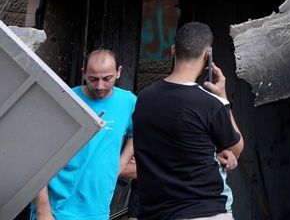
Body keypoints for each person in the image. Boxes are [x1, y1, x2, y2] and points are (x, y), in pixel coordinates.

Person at [130, 21, 244, 220]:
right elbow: (235, 148)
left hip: (153, 212)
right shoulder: (211, 104)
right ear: (208, 54)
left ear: (173, 50)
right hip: (204, 211)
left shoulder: (143, 99)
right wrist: (223, 98)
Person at [33, 49, 136, 220]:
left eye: (107, 78)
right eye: (93, 79)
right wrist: (43, 210)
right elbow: (37, 156)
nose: (100, 86)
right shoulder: (65, 99)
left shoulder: (129, 102)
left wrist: (122, 161)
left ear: (118, 72)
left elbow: (137, 131)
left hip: (98, 210)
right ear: (84, 74)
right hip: (56, 210)